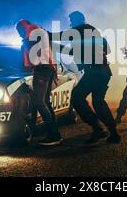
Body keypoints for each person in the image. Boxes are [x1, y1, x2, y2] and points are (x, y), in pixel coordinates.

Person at [52, 11, 121, 144]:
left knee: (77, 97)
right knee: (98, 102)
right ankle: (113, 133)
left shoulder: (79, 30)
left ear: (76, 20)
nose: (70, 24)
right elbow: (107, 49)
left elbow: (60, 37)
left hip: (95, 72)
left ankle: (98, 128)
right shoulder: (91, 30)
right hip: (103, 71)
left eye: (71, 21)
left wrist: (45, 35)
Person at [15, 19, 63, 146]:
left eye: (19, 30)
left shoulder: (31, 34)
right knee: (45, 101)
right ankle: (55, 134)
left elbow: (32, 56)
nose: (19, 34)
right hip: (48, 67)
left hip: (41, 69)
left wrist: (25, 44)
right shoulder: (39, 31)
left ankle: (53, 135)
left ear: (23, 27)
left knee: (38, 101)